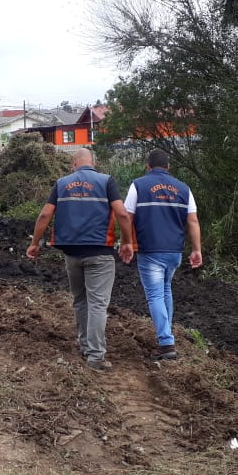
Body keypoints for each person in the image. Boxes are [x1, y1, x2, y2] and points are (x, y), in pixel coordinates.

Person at [26, 149, 134, 371]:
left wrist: (35, 243)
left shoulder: (62, 183)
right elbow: (122, 214)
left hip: (71, 254)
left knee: (80, 300)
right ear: (93, 162)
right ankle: (95, 357)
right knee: (98, 304)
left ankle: (85, 346)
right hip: (99, 253)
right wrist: (126, 242)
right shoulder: (106, 181)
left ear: (73, 163)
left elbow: (45, 214)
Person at [124, 149, 202, 360]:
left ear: (148, 166)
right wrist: (196, 249)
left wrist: (126, 243)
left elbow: (126, 217)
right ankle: (167, 334)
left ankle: (166, 343)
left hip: (150, 250)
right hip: (174, 251)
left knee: (155, 295)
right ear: (169, 167)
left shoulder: (138, 185)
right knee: (166, 290)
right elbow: (193, 221)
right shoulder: (184, 188)